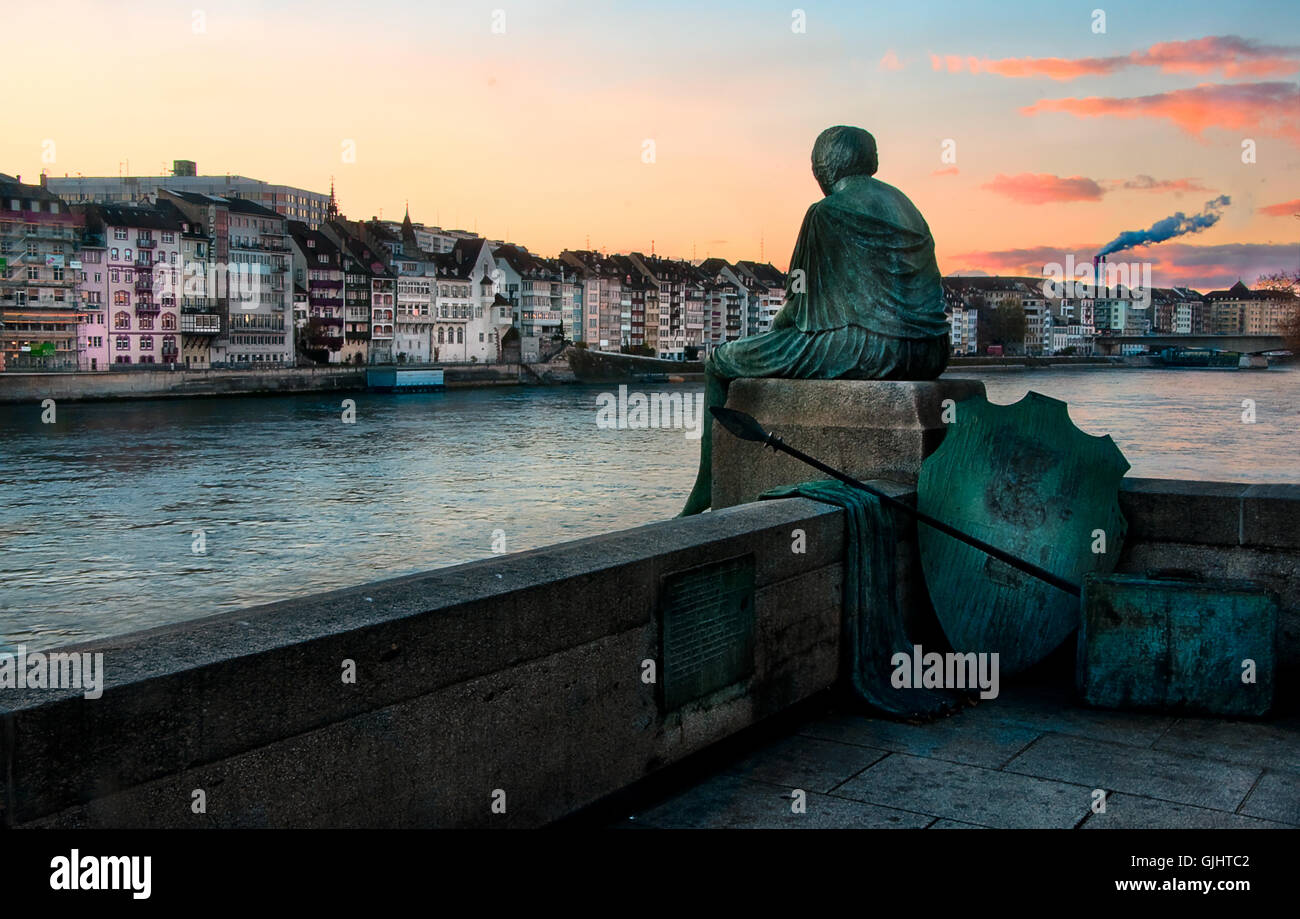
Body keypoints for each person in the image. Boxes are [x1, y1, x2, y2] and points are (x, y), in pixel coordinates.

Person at [680, 125, 951, 516]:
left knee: (718, 361)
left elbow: (800, 302)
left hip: (868, 346)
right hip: (930, 351)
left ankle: (706, 486)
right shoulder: (907, 207)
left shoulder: (827, 212)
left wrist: (765, 345)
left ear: (825, 165)